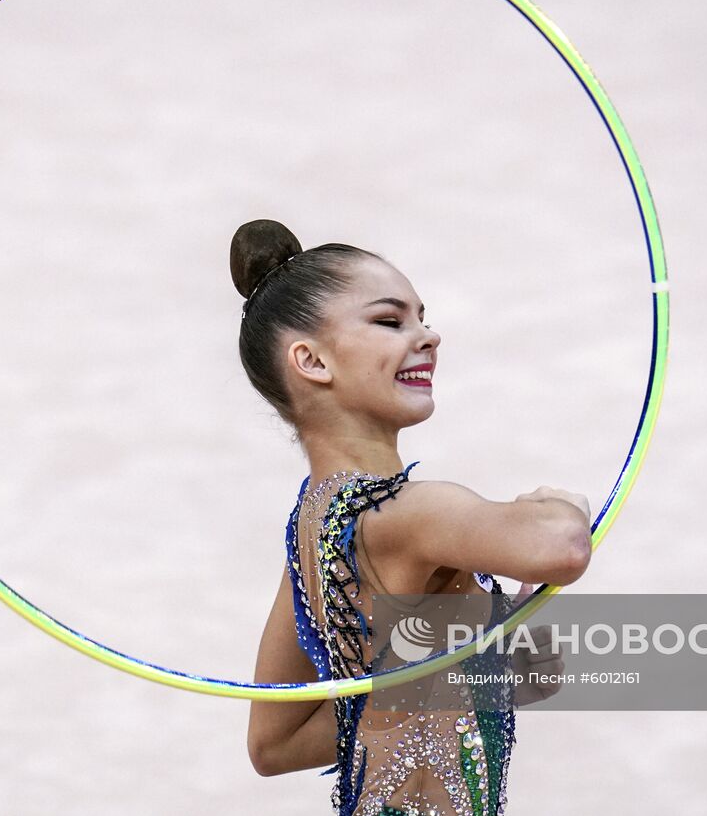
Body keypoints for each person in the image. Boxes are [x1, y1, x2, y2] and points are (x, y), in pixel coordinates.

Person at [237, 218, 594, 815]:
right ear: (312, 361)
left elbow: (277, 742)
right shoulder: (408, 513)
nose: (428, 336)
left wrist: (484, 676)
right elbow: (562, 545)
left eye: (422, 318)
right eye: (389, 320)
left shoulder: (316, 527)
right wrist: (560, 504)